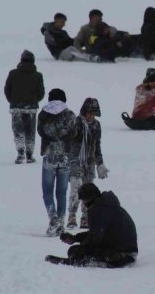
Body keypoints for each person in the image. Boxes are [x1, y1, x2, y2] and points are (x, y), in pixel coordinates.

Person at [45, 183, 138, 268]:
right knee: (76, 250)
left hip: (121, 254)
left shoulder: (98, 209)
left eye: (83, 200)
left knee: (75, 251)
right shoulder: (107, 204)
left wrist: (81, 248)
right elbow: (97, 232)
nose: (84, 204)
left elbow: (95, 238)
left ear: (89, 198)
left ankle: (94, 261)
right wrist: (75, 238)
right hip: (129, 251)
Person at [37, 89, 76, 236]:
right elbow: (74, 132)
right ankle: (61, 222)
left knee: (47, 191)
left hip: (49, 155)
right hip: (65, 156)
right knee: (62, 192)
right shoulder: (70, 114)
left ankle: (53, 219)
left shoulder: (43, 114)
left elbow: (40, 131)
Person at [68, 98, 110, 229]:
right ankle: (72, 215)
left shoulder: (97, 126)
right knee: (76, 188)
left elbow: (97, 145)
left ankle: (85, 217)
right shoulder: (77, 122)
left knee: (89, 190)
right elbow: (70, 138)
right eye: (89, 113)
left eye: (94, 113)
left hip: (90, 162)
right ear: (84, 112)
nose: (91, 116)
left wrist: (100, 163)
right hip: (76, 160)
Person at [4, 50, 45, 164]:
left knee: (18, 131)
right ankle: (30, 155)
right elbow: (41, 93)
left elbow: (7, 89)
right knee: (30, 132)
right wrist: (34, 100)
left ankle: (20, 153)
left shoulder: (13, 73)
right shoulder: (38, 75)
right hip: (31, 108)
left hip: (16, 107)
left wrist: (12, 100)